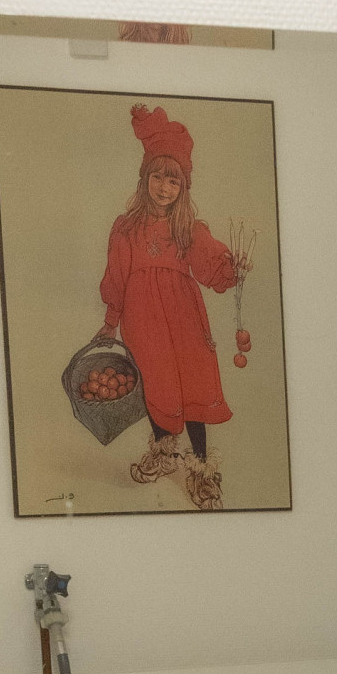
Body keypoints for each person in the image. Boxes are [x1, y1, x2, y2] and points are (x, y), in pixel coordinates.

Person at [95, 105, 250, 506]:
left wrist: (231, 268)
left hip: (184, 319)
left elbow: (212, 269)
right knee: (156, 386)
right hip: (142, 320)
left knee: (193, 386)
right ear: (144, 178)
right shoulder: (125, 228)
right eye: (158, 177)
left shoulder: (188, 229)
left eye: (173, 180)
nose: (164, 187)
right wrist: (110, 321)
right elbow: (116, 276)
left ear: (184, 187)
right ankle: (164, 453)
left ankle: (201, 470)